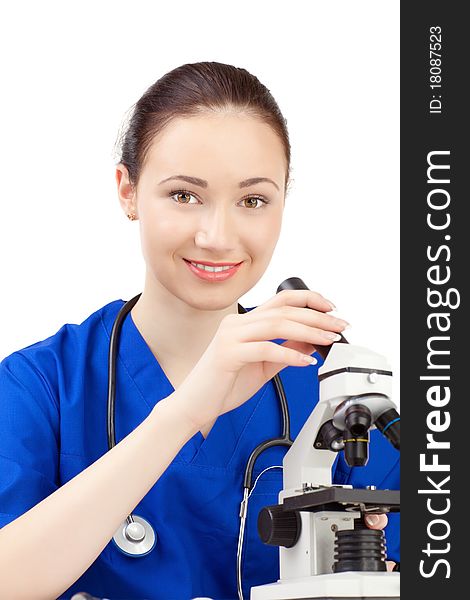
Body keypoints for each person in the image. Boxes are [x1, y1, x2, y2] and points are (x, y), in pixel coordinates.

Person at [0, 61, 399, 600]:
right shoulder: (40, 387)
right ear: (128, 191)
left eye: (253, 200)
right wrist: (186, 411)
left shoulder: (335, 397)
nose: (217, 236)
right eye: (185, 195)